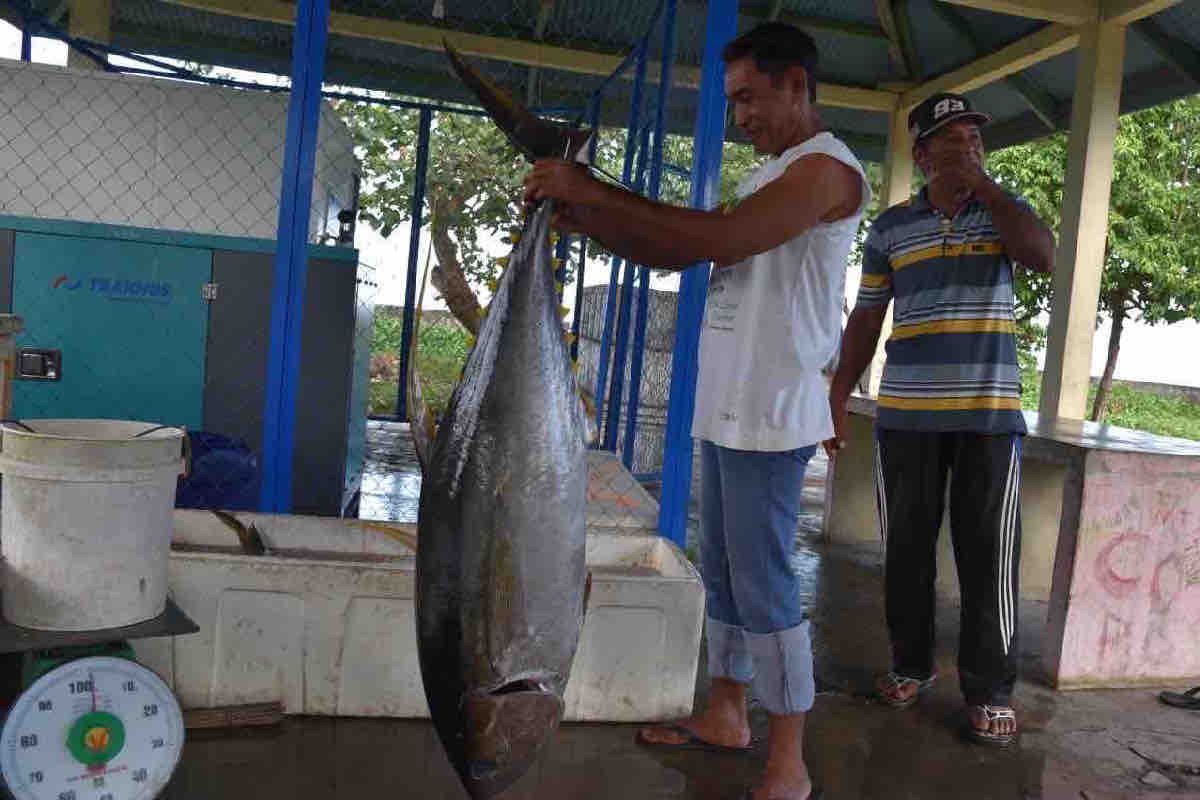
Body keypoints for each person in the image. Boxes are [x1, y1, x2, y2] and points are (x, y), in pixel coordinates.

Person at [524, 21, 869, 800]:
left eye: (750, 98)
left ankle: (790, 760)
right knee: (723, 572)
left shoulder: (825, 171)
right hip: (728, 404)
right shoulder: (773, 173)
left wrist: (595, 191)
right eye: (733, 101)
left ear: (795, 85)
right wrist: (584, 214)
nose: (740, 115)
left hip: (772, 411)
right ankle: (728, 711)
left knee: (766, 583)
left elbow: (715, 238)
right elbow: (674, 246)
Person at [827, 92, 1055, 747]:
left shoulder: (1004, 214)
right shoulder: (892, 227)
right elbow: (867, 317)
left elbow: (1043, 256)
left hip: (988, 419)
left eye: (975, 139)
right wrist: (837, 394)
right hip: (906, 418)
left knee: (989, 558)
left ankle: (990, 691)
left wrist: (983, 184)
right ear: (923, 153)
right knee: (905, 552)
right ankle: (909, 665)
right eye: (953, 140)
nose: (969, 148)